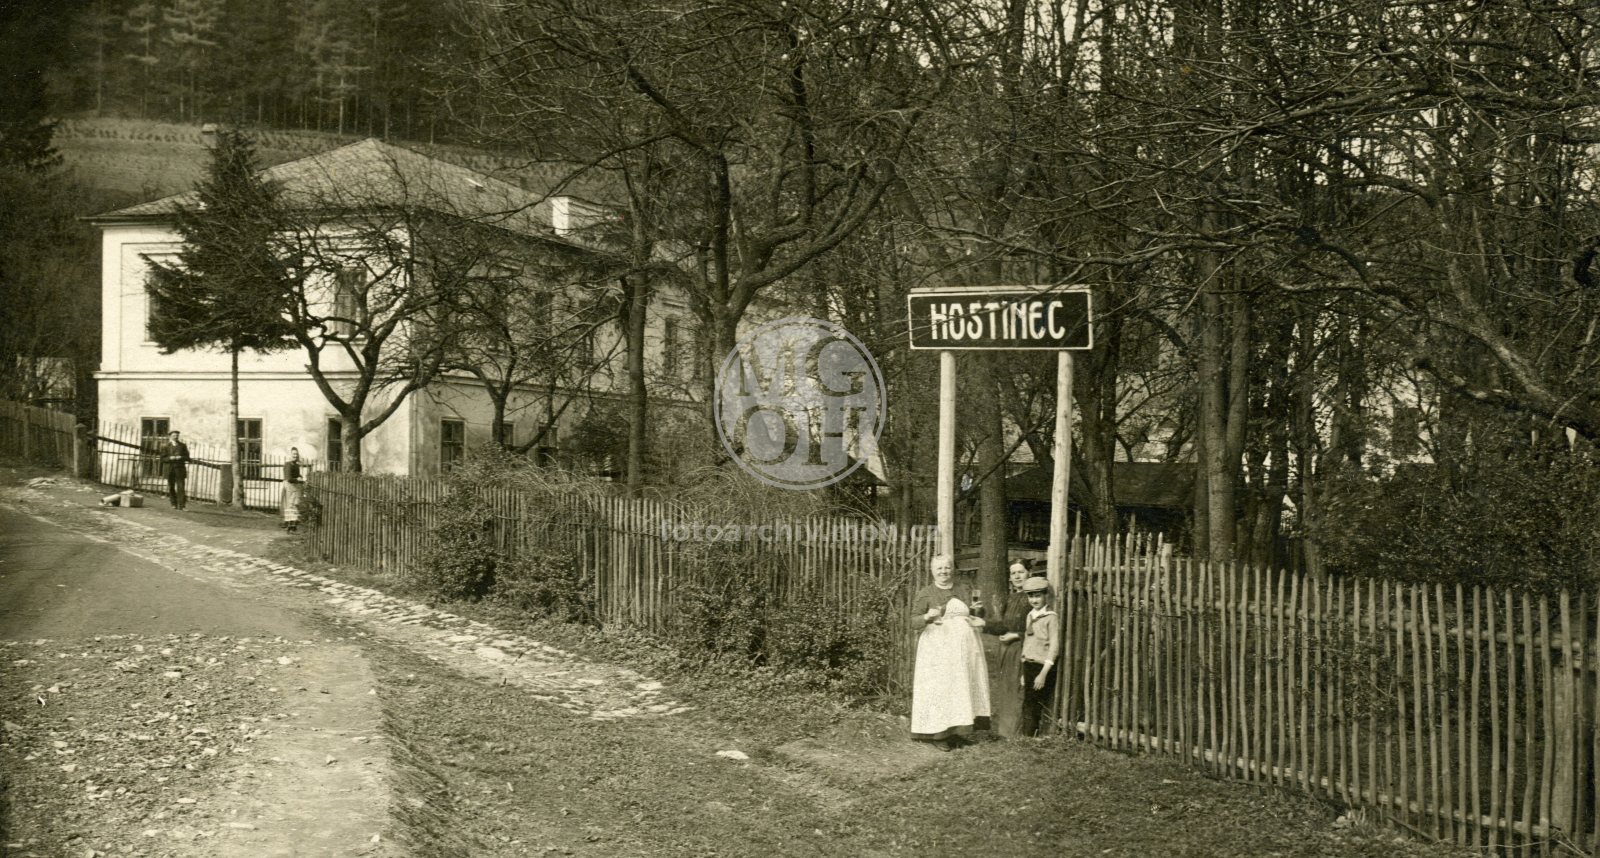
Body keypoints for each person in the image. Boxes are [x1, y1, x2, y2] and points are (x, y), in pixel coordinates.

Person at [910, 554, 991, 749]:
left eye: (947, 568)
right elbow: (913, 621)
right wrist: (927, 616)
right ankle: (939, 735)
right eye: (939, 568)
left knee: (961, 688)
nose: (944, 572)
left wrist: (978, 611)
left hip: (963, 652)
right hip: (938, 652)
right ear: (932, 571)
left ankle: (958, 731)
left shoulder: (963, 589)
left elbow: (972, 615)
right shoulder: (926, 594)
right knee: (942, 689)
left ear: (952, 569)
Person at [981, 559, 1034, 738]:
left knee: (1018, 689)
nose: (1017, 576)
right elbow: (1004, 626)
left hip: (1024, 649)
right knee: (1006, 690)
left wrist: (1016, 635)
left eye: (1021, 572)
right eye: (1013, 573)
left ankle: (1016, 733)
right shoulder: (1011, 598)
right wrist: (983, 622)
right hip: (1006, 650)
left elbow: (1039, 630)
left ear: (1029, 572)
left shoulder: (1033, 598)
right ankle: (1006, 732)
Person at [1018, 576, 1059, 737]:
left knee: (1035, 702)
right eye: (1031, 596)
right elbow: (1028, 643)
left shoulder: (1050, 617)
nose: (1034, 600)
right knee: (1028, 701)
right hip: (1029, 664)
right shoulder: (1030, 615)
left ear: (1045, 596)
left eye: (1038, 595)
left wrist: (1043, 673)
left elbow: (1054, 646)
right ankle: (1028, 735)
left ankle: (1032, 735)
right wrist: (1024, 671)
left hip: (1042, 666)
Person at [161, 430, 190, 510]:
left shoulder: (182, 446)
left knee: (181, 487)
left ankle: (182, 506)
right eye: (174, 435)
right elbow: (162, 458)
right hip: (170, 470)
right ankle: (173, 504)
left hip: (180, 469)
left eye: (177, 435)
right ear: (170, 436)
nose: (176, 437)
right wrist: (170, 458)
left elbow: (188, 457)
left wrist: (181, 457)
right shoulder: (166, 446)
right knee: (171, 487)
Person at [281, 447, 305, 532]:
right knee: (290, 504)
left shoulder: (296, 465)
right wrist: (297, 479)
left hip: (295, 487)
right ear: (290, 455)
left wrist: (300, 477)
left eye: (296, 454)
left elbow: (297, 474)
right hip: (290, 487)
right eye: (294, 454)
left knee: (295, 504)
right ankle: (289, 523)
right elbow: (288, 478)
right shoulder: (288, 465)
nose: (295, 456)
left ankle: (293, 523)